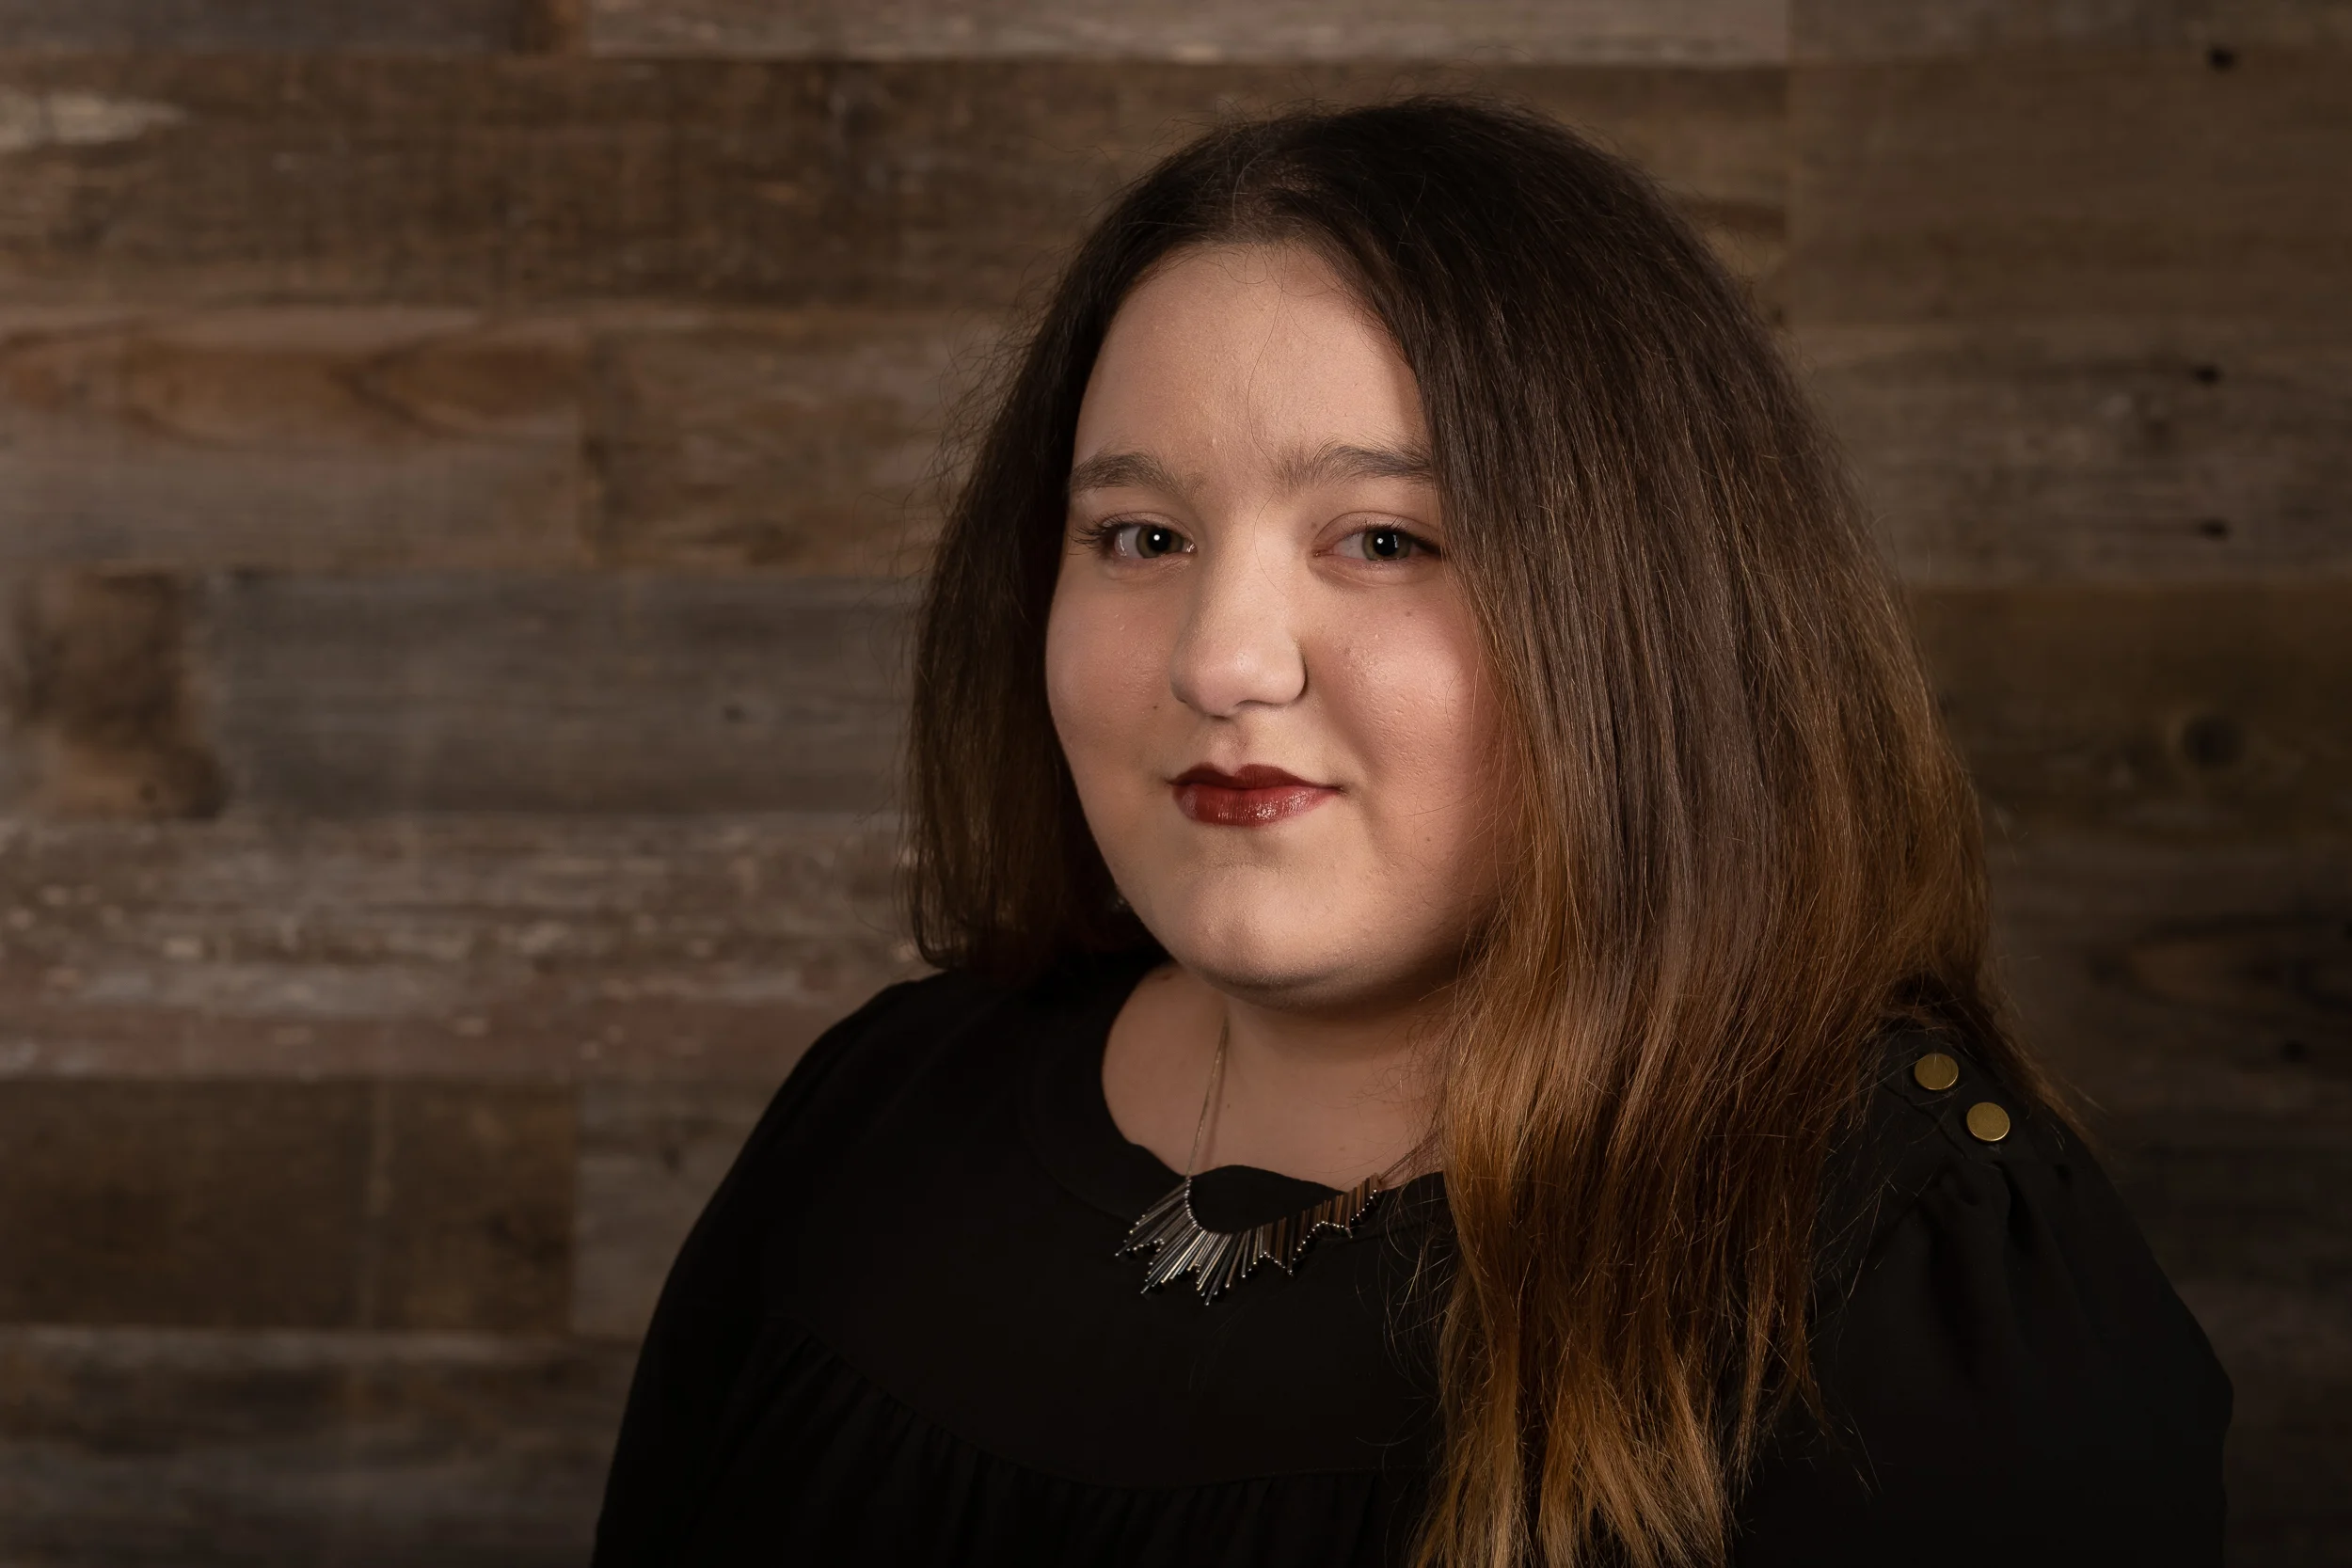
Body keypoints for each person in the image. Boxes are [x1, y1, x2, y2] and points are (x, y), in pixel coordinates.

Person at [591, 98, 2230, 1567]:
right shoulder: (875, 1120)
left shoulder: (1911, 1272)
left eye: (1382, 538)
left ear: (1647, 619)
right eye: (1141, 534)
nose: (1222, 660)